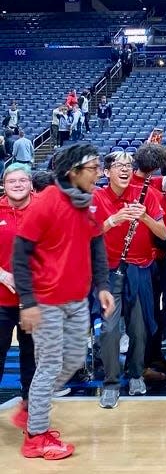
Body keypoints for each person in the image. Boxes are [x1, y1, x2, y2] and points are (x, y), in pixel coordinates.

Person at [14, 144, 115, 460]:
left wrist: (102, 285)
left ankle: (32, 408)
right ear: (73, 171)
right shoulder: (45, 204)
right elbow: (20, 255)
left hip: (77, 300)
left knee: (72, 362)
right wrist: (28, 302)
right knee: (51, 365)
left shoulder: (88, 203)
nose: (99, 173)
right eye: (94, 168)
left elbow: (96, 243)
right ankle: (36, 436)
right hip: (46, 302)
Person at [92, 151, 166, 408]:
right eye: (118, 165)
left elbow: (164, 233)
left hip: (140, 268)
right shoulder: (95, 197)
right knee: (110, 330)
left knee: (139, 329)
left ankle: (136, 373)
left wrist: (145, 216)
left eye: (128, 165)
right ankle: (111, 382)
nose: (124, 169)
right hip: (109, 272)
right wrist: (112, 221)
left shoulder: (148, 195)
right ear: (106, 172)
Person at [0, 164, 36, 430]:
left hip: (34, 301)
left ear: (30, 183)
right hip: (2, 299)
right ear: (4, 183)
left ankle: (32, 408)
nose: (17, 183)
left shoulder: (43, 210)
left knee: (32, 356)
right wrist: (2, 275)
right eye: (12, 180)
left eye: (22, 179)